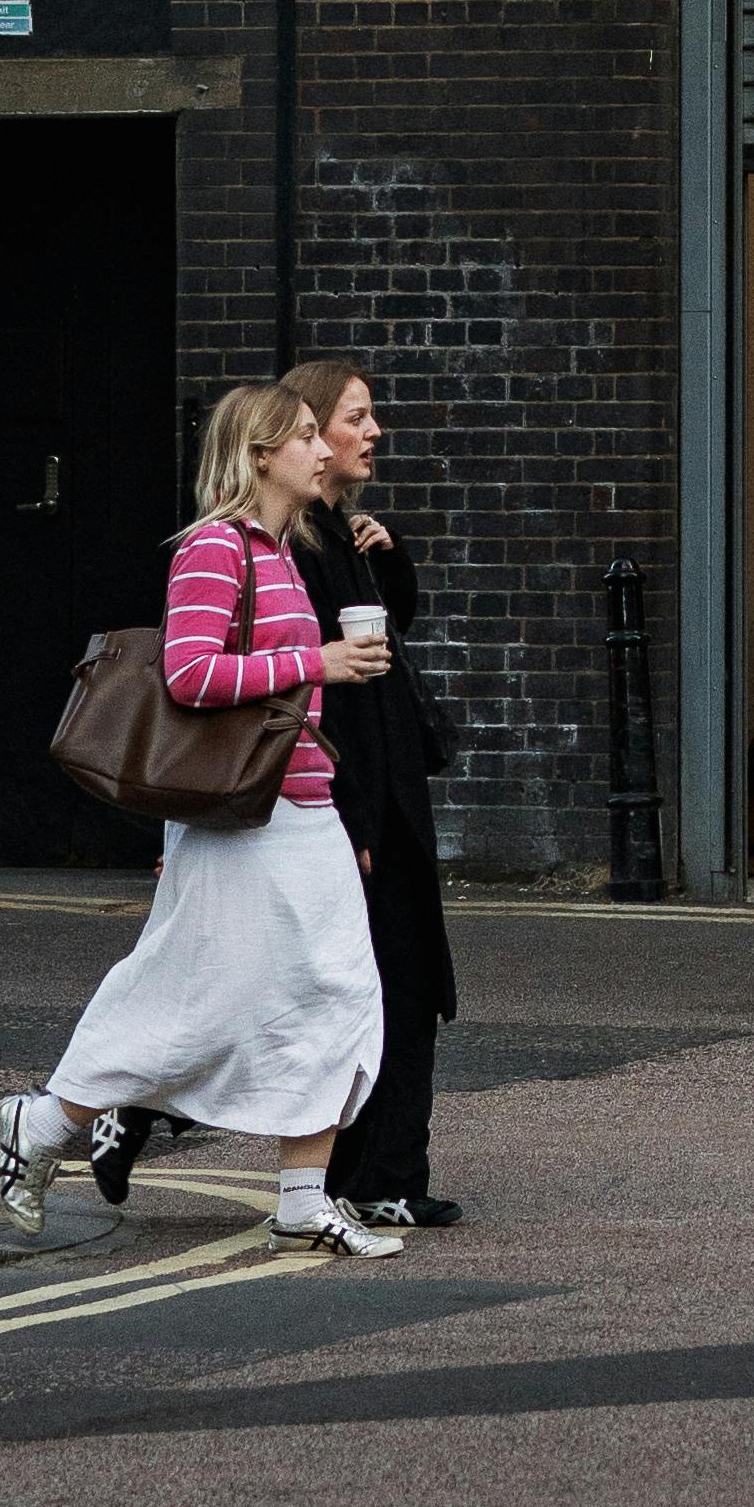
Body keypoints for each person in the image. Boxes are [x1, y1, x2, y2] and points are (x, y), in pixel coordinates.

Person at [0, 382, 408, 1261]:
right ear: (259, 456)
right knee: (191, 999)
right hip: (240, 822)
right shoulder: (216, 549)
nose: (325, 452)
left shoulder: (285, 552)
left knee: (335, 995)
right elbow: (189, 676)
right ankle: (41, 1122)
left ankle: (301, 1200)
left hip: (300, 808)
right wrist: (318, 661)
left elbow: (272, 685)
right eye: (304, 438)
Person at [277, 357, 462, 1230]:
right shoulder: (294, 549)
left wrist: (392, 565)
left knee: (399, 981)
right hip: (357, 800)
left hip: (384, 796)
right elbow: (319, 699)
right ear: (305, 434)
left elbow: (390, 644)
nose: (371, 431)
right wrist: (344, 813)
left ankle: (384, 1172)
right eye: (353, 417)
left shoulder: (342, 538)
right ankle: (125, 1104)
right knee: (363, 987)